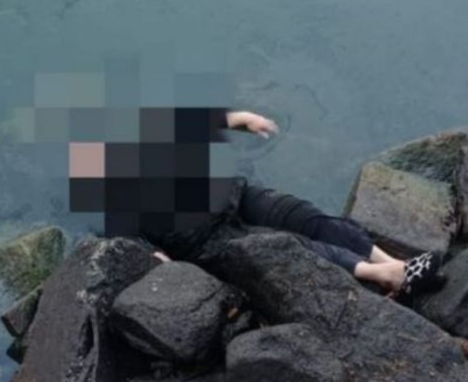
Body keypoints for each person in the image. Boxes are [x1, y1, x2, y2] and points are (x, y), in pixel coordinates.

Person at [150, 110, 447, 304]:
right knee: (284, 245)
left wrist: (240, 118)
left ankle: (392, 262)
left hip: (231, 194)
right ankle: (387, 275)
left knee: (303, 216)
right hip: (199, 238)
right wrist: (154, 256)